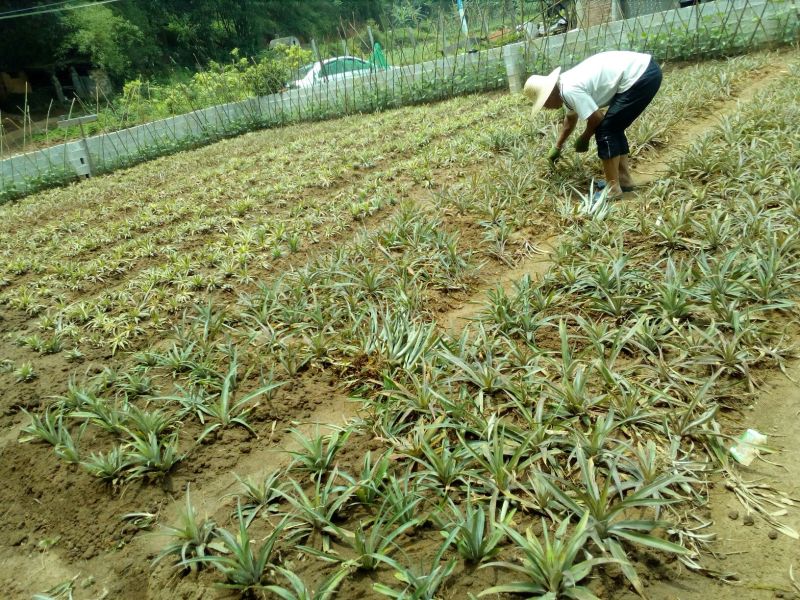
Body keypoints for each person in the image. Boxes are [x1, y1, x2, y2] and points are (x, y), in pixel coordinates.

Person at [523, 50, 662, 199]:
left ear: (550, 94)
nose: (546, 107)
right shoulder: (564, 86)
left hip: (640, 75)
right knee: (614, 126)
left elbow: (597, 119)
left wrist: (585, 138)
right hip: (643, 71)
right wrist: (557, 146)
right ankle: (624, 180)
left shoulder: (569, 89)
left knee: (606, 130)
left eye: (544, 102)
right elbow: (570, 121)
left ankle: (613, 189)